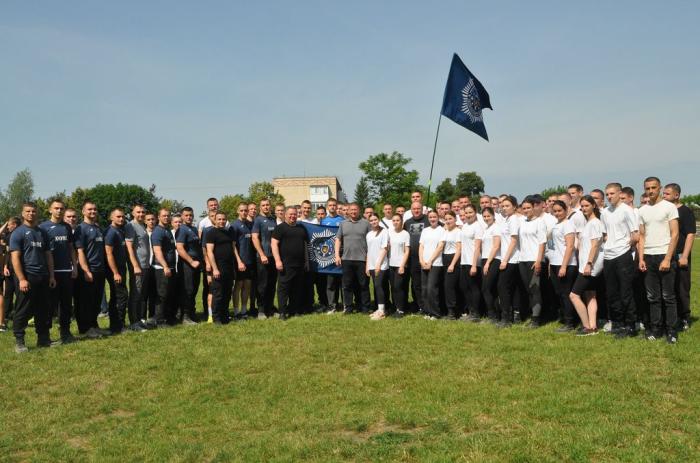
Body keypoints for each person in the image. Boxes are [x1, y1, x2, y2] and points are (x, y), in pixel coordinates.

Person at [9, 203, 56, 352]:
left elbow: (48, 255)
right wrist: (22, 279)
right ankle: (19, 341)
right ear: (23, 214)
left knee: (43, 309)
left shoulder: (43, 232)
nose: (31, 214)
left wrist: (51, 276)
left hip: (43, 276)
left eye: (34, 211)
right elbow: (15, 258)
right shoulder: (18, 233)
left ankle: (43, 339)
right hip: (27, 276)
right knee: (23, 310)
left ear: (37, 213)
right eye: (28, 211)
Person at [638, 177, 679, 344]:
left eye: (653, 187)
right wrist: (641, 258)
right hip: (648, 256)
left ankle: (672, 331)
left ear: (660, 188)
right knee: (652, 297)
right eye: (647, 188)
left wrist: (668, 258)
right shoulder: (642, 210)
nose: (650, 191)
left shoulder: (669, 207)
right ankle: (656, 328)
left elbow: (675, 234)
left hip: (664, 255)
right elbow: (642, 236)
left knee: (668, 296)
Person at [600, 183, 639, 338]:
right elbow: (604, 234)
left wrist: (624, 245)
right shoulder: (605, 212)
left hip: (623, 255)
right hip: (608, 256)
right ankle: (618, 323)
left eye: (612, 193)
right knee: (612, 293)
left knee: (625, 292)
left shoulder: (627, 210)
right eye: (607, 194)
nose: (609, 197)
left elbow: (635, 235)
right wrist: (610, 244)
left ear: (619, 193)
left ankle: (631, 326)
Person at [39, 199, 78, 343]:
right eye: (56, 208)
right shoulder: (43, 227)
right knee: (49, 305)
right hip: (51, 273)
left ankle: (65, 333)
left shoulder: (67, 227)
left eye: (61, 208)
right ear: (50, 210)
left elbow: (71, 248)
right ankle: (45, 336)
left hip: (66, 271)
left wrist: (74, 266)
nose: (59, 211)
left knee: (66, 304)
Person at [569, 195, 605, 336]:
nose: (584, 208)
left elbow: (595, 245)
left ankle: (586, 326)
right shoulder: (588, 223)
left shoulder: (595, 223)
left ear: (593, 206)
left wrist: (589, 264)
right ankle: (593, 326)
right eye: (582, 206)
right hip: (585, 264)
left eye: (587, 206)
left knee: (574, 295)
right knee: (590, 295)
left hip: (590, 266)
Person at [663, 183, 695, 331]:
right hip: (666, 254)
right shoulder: (664, 211)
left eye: (667, 194)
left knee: (682, 287)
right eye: (663, 193)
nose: (664, 196)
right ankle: (671, 318)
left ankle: (684, 318)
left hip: (680, 254)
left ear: (676, 195)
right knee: (668, 288)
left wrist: (685, 256)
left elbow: (690, 234)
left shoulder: (685, 211)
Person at [75, 201, 109, 338]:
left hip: (100, 270)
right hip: (89, 270)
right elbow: (80, 251)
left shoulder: (98, 228)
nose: (93, 212)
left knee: (96, 301)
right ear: (83, 211)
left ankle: (94, 326)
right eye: (89, 209)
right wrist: (86, 270)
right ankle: (85, 329)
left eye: (95, 209)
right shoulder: (81, 228)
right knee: (86, 302)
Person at [271, 206, 309, 320]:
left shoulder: (301, 228)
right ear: (285, 215)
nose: (293, 216)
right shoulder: (280, 228)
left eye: (294, 214)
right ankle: (282, 312)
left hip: (299, 264)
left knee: (296, 289)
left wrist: (306, 262)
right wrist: (277, 260)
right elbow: (274, 244)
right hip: (285, 265)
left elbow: (305, 245)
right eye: (290, 214)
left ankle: (294, 310)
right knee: (283, 289)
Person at [547, 200, 578, 332]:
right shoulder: (556, 225)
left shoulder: (568, 225)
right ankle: (565, 318)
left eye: (560, 210)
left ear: (565, 210)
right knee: (559, 293)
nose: (557, 213)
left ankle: (570, 322)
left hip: (566, 264)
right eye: (555, 211)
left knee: (566, 294)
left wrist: (564, 266)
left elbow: (570, 246)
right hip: (555, 263)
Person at [335, 203, 371, 314]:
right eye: (351, 210)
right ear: (348, 211)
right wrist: (337, 255)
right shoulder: (343, 224)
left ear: (359, 210)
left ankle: (365, 307)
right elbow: (338, 239)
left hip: (362, 259)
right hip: (346, 259)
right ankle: (349, 307)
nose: (353, 212)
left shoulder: (366, 223)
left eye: (355, 210)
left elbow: (371, 240)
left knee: (363, 285)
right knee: (347, 285)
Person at [518, 197, 547, 327]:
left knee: (535, 288)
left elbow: (542, 243)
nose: (526, 210)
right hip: (523, 260)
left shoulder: (540, 222)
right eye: (524, 208)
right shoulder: (522, 222)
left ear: (534, 207)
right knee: (528, 289)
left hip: (534, 260)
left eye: (528, 208)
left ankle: (536, 319)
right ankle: (532, 315)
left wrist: (539, 260)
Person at [206, 212, 236, 324]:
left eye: (223, 219)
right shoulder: (211, 233)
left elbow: (232, 248)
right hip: (218, 267)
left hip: (229, 267)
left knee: (227, 293)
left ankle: (224, 315)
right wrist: (215, 268)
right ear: (215, 220)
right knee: (218, 294)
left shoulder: (228, 233)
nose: (221, 221)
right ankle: (216, 317)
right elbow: (209, 252)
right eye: (219, 219)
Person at [150, 209, 177, 327]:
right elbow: (157, 251)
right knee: (162, 294)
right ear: (158, 217)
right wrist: (165, 266)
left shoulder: (167, 230)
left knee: (169, 294)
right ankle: (159, 320)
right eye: (164, 216)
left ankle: (168, 318)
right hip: (161, 268)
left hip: (170, 267)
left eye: (168, 215)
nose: (166, 217)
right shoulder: (158, 232)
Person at [124, 204, 150, 331]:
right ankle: (133, 322)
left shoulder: (142, 225)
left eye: (143, 212)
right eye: (138, 212)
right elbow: (129, 247)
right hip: (138, 266)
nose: (141, 214)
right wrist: (135, 265)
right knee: (136, 294)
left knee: (141, 294)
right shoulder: (131, 226)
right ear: (133, 213)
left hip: (145, 265)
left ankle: (139, 320)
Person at [496, 196, 521, 327]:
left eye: (507, 206)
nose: (504, 208)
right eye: (503, 206)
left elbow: (514, 241)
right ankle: (512, 316)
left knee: (503, 287)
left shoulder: (514, 220)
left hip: (512, 259)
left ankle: (506, 318)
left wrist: (505, 260)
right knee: (511, 288)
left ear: (514, 207)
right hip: (507, 258)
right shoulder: (507, 219)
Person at [252, 199, 278, 319]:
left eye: (267, 205)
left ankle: (270, 308)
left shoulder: (273, 219)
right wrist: (262, 254)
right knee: (262, 284)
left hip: (274, 257)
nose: (266, 207)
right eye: (263, 205)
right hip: (263, 257)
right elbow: (254, 238)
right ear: (260, 207)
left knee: (272, 284)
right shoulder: (258, 220)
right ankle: (261, 310)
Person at [175, 207, 202, 325]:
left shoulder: (194, 229)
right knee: (188, 290)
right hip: (187, 264)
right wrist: (191, 262)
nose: (189, 217)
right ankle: (185, 316)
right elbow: (180, 248)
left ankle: (191, 313)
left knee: (194, 289)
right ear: (182, 216)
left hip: (196, 264)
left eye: (190, 215)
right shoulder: (182, 229)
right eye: (186, 215)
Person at [104, 208, 129, 334]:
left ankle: (116, 325)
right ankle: (118, 325)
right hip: (115, 270)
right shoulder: (111, 232)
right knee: (121, 296)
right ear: (111, 217)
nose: (121, 219)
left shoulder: (120, 230)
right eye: (118, 216)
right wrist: (115, 273)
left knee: (116, 296)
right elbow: (108, 253)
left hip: (121, 267)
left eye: (123, 216)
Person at [403, 202, 430, 313]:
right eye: (414, 209)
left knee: (427, 284)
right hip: (412, 258)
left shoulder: (428, 219)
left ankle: (429, 305)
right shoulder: (407, 222)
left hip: (427, 257)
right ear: (411, 210)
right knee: (416, 284)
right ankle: (419, 306)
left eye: (418, 208)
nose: (416, 210)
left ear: (422, 209)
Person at [459, 204, 484, 321]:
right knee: (464, 287)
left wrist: (474, 265)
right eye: (466, 213)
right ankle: (470, 311)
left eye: (470, 212)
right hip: (464, 261)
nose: (468, 215)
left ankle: (476, 313)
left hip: (473, 262)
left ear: (475, 213)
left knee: (473, 287)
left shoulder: (477, 227)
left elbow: (477, 247)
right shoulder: (465, 226)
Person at [321, 198, 344, 313]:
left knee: (343, 282)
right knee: (331, 282)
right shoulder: (323, 221)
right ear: (327, 207)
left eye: (334, 205)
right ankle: (332, 305)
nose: (332, 207)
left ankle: (345, 305)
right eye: (330, 205)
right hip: (329, 255)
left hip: (342, 253)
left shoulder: (343, 220)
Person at [232, 202, 254, 319]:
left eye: (246, 210)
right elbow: (233, 246)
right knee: (238, 285)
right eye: (242, 210)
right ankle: (236, 312)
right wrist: (239, 261)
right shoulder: (234, 225)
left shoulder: (250, 224)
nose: (244, 212)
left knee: (247, 285)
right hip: (240, 261)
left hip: (250, 261)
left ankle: (244, 310)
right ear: (237, 211)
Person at [366, 214, 389, 320]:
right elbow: (369, 251)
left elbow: (385, 248)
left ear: (379, 220)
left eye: (375, 219)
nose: (373, 222)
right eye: (371, 220)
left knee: (379, 286)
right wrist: (367, 266)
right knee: (377, 287)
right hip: (371, 265)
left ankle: (381, 311)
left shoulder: (384, 232)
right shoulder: (369, 234)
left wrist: (378, 264)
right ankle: (381, 308)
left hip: (381, 265)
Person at [480, 208, 501, 323]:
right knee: (489, 288)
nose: (486, 218)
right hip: (485, 259)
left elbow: (496, 246)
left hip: (493, 260)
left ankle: (493, 315)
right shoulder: (486, 228)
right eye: (484, 216)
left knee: (486, 288)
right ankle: (494, 314)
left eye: (488, 216)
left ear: (493, 215)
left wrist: (488, 263)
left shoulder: (496, 228)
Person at [387, 213, 410, 317]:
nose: (395, 222)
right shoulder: (389, 233)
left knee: (398, 287)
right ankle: (395, 307)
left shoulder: (405, 234)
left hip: (400, 264)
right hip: (390, 264)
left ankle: (401, 309)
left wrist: (402, 265)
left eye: (398, 220)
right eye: (394, 220)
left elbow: (407, 250)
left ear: (402, 222)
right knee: (393, 287)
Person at [441, 211, 462, 320]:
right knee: (447, 286)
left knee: (449, 286)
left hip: (454, 259)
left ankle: (452, 312)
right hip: (445, 258)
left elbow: (459, 249)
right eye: (446, 219)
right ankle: (451, 310)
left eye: (450, 219)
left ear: (455, 219)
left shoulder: (458, 232)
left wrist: (452, 264)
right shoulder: (446, 231)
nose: (448, 221)